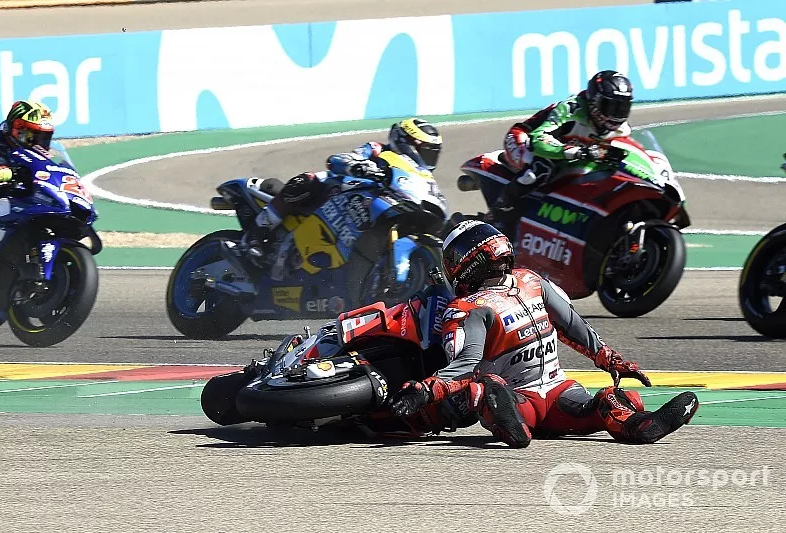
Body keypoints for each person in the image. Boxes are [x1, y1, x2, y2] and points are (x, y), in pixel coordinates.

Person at [389, 220, 699, 448]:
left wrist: (423, 389)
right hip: (548, 393)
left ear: (467, 262)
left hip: (538, 397)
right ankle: (635, 424)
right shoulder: (531, 281)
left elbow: (465, 364)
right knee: (601, 400)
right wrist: (610, 360)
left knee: (487, 385)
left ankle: (639, 425)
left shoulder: (467, 307)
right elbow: (572, 326)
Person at [244, 117, 442, 259]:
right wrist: (358, 165)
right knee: (306, 181)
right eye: (425, 150)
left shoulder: (423, 175)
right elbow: (341, 159)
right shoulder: (378, 150)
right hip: (340, 188)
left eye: (433, 152)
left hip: (381, 203)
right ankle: (258, 232)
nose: (428, 156)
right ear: (405, 142)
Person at [498, 70, 634, 195]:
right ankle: (500, 210)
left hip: (564, 152)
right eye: (609, 106)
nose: (615, 115)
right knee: (541, 168)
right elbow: (537, 140)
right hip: (524, 139)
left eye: (622, 108)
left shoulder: (622, 130)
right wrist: (577, 152)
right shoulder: (571, 110)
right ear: (593, 101)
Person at [0, 100, 55, 191]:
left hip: (24, 197)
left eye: (45, 138)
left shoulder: (40, 155)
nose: (40, 144)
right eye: (34, 137)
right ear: (18, 129)